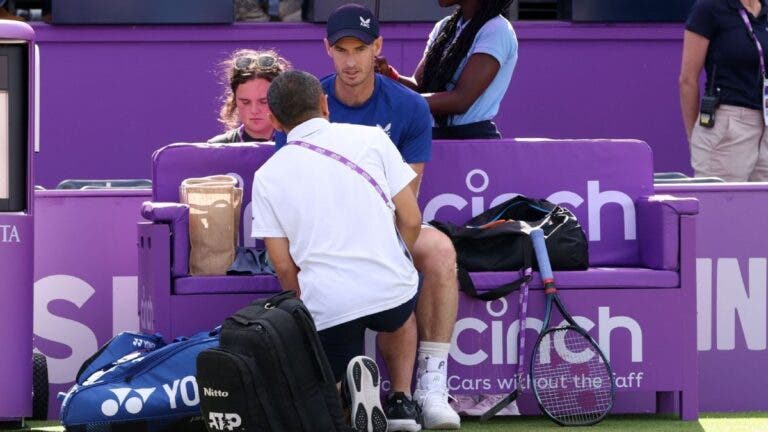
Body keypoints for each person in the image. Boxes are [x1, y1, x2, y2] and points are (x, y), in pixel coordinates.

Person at [273, 4, 462, 430]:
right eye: (342, 49)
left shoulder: (410, 107)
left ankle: (424, 391)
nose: (352, 60)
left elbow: (408, 196)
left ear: (377, 47)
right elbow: (292, 188)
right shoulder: (308, 101)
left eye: (361, 48)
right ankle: (352, 392)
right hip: (325, 232)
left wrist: (378, 239)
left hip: (390, 224)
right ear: (328, 50)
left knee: (437, 250)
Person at [252, 70, 424, 432]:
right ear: (325, 105)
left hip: (329, 307)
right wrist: (400, 260)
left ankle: (342, 400)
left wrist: (306, 304)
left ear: (274, 121)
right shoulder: (372, 139)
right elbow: (411, 218)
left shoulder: (267, 175)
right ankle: (402, 401)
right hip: (394, 295)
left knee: (322, 404)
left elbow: (283, 266)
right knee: (399, 306)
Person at [376, 0, 517, 140]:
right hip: (433, 138)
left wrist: (398, 100)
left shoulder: (496, 29)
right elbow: (420, 88)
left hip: (472, 143)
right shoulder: (445, 27)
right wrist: (387, 74)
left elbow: (461, 100)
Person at [680, 0, 768, 182]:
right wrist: (693, 136)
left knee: (761, 208)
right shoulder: (710, 8)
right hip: (728, 126)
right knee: (724, 206)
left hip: (765, 123)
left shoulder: (764, 9)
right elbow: (687, 80)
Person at [208, 49, 290, 143]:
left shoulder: (299, 146)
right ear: (234, 101)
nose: (254, 110)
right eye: (245, 102)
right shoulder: (217, 148)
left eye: (264, 101)